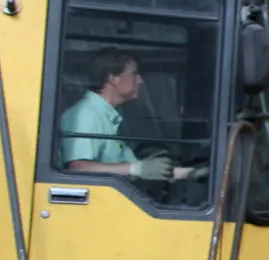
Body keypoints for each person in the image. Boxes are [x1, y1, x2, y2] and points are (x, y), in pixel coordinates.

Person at [60, 48, 202, 185]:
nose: (140, 80)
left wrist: (190, 173)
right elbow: (78, 167)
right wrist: (135, 169)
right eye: (134, 74)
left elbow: (137, 169)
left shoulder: (107, 116)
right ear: (113, 78)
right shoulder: (87, 115)